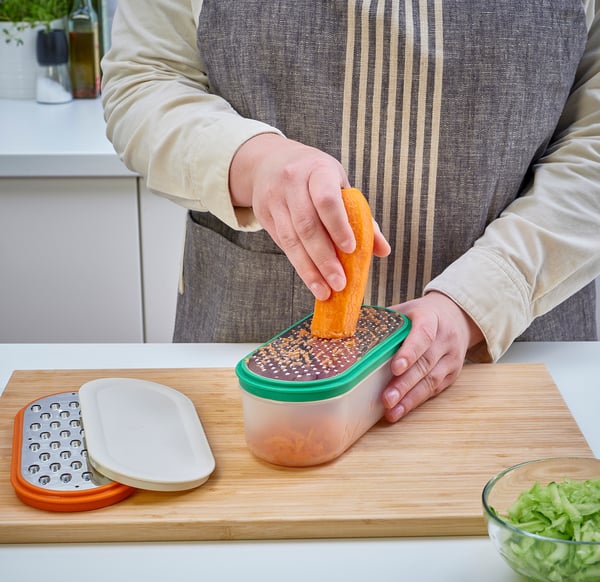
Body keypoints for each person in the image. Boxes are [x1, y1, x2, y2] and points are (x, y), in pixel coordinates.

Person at [102, 1, 600, 424]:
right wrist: (256, 162)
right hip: (248, 359)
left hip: (516, 359)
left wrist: (484, 295)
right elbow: (145, 79)